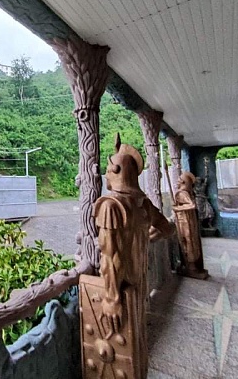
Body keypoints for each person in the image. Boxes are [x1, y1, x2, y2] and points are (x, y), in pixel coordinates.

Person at [86, 138, 172, 378]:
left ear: (116, 171)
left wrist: (111, 298)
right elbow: (167, 229)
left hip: (119, 291)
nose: (105, 172)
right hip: (140, 280)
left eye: (108, 167)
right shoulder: (143, 204)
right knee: (137, 339)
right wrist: (145, 236)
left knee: (120, 352)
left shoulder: (110, 206)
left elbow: (110, 255)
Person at [172, 172, 209, 279]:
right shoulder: (187, 192)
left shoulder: (182, 193)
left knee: (187, 242)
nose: (177, 181)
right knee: (189, 242)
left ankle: (191, 266)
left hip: (185, 222)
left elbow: (191, 205)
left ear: (183, 182)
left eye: (179, 179)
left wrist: (177, 208)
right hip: (188, 221)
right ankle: (190, 265)